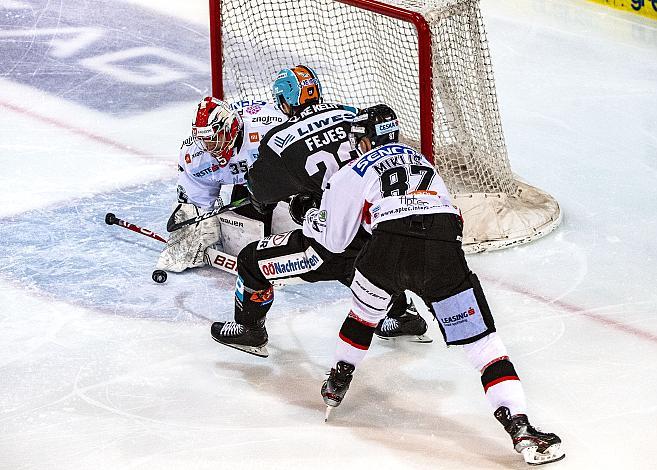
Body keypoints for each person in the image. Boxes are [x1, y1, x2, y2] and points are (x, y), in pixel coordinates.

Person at [301, 104, 564, 466]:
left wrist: (309, 215)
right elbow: (448, 214)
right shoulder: (420, 159)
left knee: (363, 316)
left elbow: (334, 241)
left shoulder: (352, 170)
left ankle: (338, 380)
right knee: (484, 346)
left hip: (387, 248)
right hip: (440, 248)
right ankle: (521, 428)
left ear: (363, 140)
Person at [210, 66, 428, 355]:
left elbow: (259, 193)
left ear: (285, 102)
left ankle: (250, 330)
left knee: (252, 261)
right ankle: (402, 315)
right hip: (385, 231)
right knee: (362, 265)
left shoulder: (278, 139)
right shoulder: (352, 113)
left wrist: (293, 199)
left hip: (335, 239)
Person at [156, 96, 286, 273]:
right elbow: (196, 204)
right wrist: (195, 229)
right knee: (247, 242)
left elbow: (304, 163)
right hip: (249, 185)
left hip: (283, 177)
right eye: (205, 140)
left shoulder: (270, 129)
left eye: (214, 138)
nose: (209, 147)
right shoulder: (194, 157)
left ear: (230, 127)